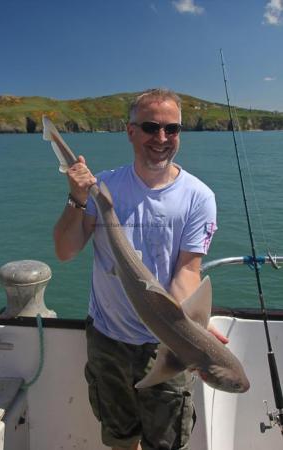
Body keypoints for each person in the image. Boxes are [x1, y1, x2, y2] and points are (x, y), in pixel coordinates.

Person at [53, 88, 226, 450]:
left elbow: (187, 272)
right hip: (108, 339)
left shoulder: (199, 197)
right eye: (150, 127)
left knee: (165, 443)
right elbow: (66, 251)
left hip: (165, 345)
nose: (161, 138)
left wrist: (192, 330)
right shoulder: (102, 187)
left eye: (172, 129)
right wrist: (76, 198)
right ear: (130, 131)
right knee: (120, 438)